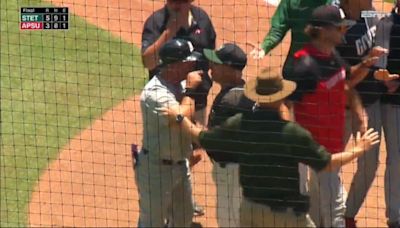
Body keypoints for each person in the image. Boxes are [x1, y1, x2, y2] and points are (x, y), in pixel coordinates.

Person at [160, 72, 380, 227]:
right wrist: (359, 149)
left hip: (251, 210)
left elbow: (204, 138)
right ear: (282, 98)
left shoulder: (240, 123)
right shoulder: (292, 133)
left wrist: (180, 118)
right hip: (286, 217)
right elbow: (327, 164)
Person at [141, 0, 217, 215]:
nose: (175, 4)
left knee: (189, 151)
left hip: (197, 97)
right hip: (168, 100)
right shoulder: (156, 22)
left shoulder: (202, 18)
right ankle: (170, 200)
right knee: (169, 147)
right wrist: (171, 29)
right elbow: (147, 62)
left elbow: (210, 55)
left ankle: (182, 197)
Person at [337, 1, 400, 227]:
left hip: (375, 102)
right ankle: (338, 213)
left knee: (382, 162)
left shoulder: (372, 15)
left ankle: (354, 215)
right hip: (352, 106)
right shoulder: (338, 26)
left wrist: (384, 78)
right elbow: (346, 77)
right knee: (352, 163)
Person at [135, 38, 203, 227]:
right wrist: (190, 91)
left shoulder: (180, 84)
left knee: (183, 219)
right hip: (156, 169)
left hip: (181, 166)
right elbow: (180, 117)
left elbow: (189, 117)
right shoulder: (154, 93)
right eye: (188, 61)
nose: (193, 64)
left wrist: (195, 146)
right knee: (153, 222)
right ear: (174, 65)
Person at [202, 43, 254, 227]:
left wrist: (184, 121)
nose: (211, 66)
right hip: (242, 172)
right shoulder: (244, 93)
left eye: (216, 63)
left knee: (230, 222)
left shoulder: (230, 101)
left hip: (233, 173)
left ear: (230, 69)